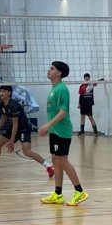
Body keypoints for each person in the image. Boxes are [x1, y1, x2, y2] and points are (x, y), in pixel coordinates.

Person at [39, 61, 88, 206]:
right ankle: (58, 194)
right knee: (55, 160)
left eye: (52, 69)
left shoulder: (61, 89)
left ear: (59, 73)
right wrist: (50, 128)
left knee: (62, 160)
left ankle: (79, 191)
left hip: (62, 131)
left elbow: (63, 112)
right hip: (55, 131)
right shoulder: (54, 88)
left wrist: (47, 125)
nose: (49, 70)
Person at [0, 85, 53, 177]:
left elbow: (15, 124)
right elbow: (4, 116)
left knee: (27, 151)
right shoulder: (2, 103)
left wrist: (11, 141)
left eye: (3, 91)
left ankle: (48, 166)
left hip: (23, 128)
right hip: (15, 128)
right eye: (0, 91)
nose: (1, 93)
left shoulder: (14, 105)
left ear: (9, 93)